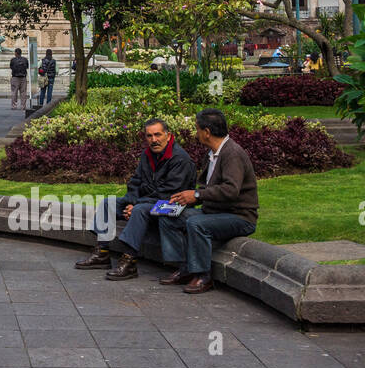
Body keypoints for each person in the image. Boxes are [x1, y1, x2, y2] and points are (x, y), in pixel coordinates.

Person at [76, 118, 195, 279]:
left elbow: (167, 193)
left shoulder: (180, 159)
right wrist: (131, 201)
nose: (154, 140)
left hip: (172, 205)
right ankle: (102, 253)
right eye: (149, 136)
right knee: (108, 203)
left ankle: (129, 261)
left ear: (168, 135)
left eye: (158, 135)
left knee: (139, 210)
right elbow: (135, 182)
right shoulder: (147, 155)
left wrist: (136, 205)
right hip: (146, 202)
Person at [158, 108, 259, 294]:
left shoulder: (232, 154)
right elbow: (208, 187)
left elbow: (231, 190)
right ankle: (185, 267)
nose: (196, 134)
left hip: (239, 216)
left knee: (196, 224)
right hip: (215, 210)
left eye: (197, 129)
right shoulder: (213, 153)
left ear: (206, 132)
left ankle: (203, 276)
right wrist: (185, 198)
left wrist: (196, 195)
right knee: (168, 216)